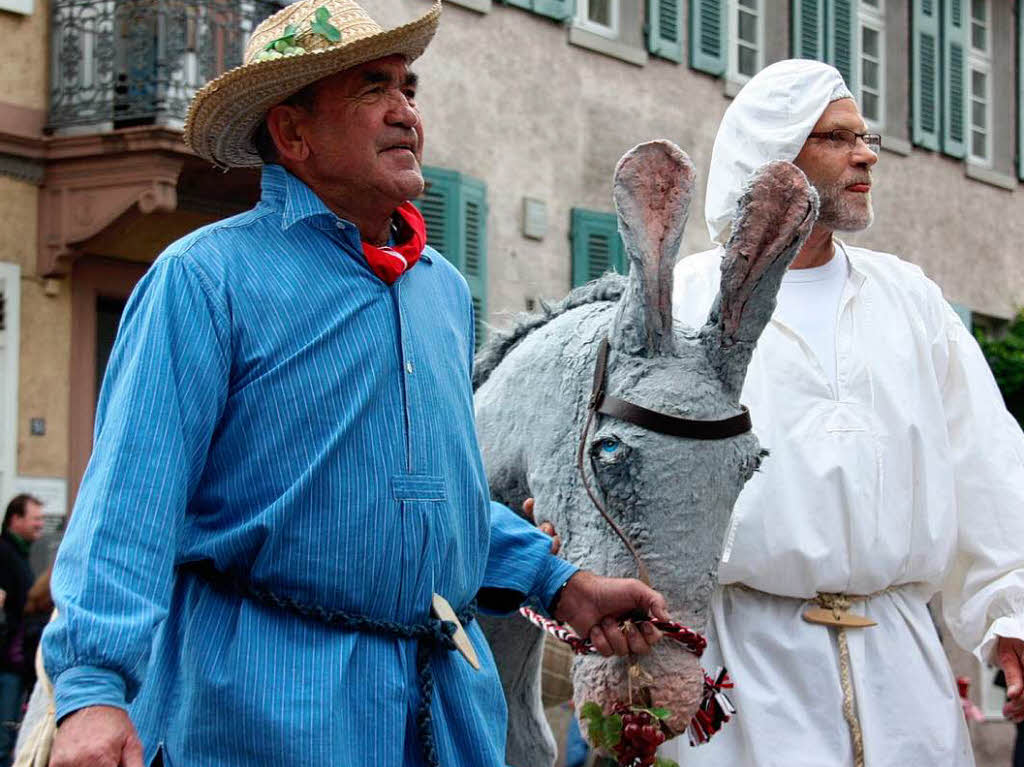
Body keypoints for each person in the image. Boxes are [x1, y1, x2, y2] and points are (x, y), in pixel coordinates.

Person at [41, 2, 670, 766]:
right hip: (266, 711)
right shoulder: (203, 281)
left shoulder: (439, 289)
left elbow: (441, 495)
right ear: (293, 132)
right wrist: (93, 689)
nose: (406, 111)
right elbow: (129, 503)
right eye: (373, 89)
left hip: (440, 711)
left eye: (410, 87)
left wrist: (557, 580)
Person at [662, 58, 1024, 767]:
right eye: (835, 138)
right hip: (744, 667)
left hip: (904, 667)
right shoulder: (684, 301)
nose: (864, 154)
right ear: (773, 159)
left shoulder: (911, 300)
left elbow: (988, 468)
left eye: (867, 138)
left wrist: (1009, 616)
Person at [0, 495, 43, 766]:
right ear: (15, 519)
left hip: (15, 660)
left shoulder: (19, 552)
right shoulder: (5, 552)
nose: (41, 524)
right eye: (35, 518)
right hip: (7, 660)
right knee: (4, 738)